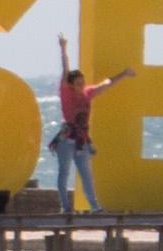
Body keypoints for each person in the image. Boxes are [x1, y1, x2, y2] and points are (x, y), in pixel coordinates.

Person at [50, 39, 137, 208]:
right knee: (64, 173)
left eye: (82, 82)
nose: (81, 85)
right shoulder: (66, 92)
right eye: (78, 83)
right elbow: (65, 70)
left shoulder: (87, 93)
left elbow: (105, 84)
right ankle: (66, 208)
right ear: (71, 84)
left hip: (82, 140)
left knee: (86, 174)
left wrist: (123, 74)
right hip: (67, 139)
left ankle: (94, 207)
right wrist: (63, 49)